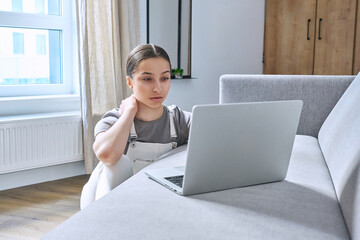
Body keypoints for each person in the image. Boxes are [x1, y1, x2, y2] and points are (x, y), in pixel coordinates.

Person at [80, 44, 192, 209]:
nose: (157, 88)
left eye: (164, 78)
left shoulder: (179, 120)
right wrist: (128, 114)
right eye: (147, 79)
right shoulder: (113, 119)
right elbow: (106, 155)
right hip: (101, 201)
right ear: (130, 82)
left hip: (153, 201)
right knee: (117, 163)